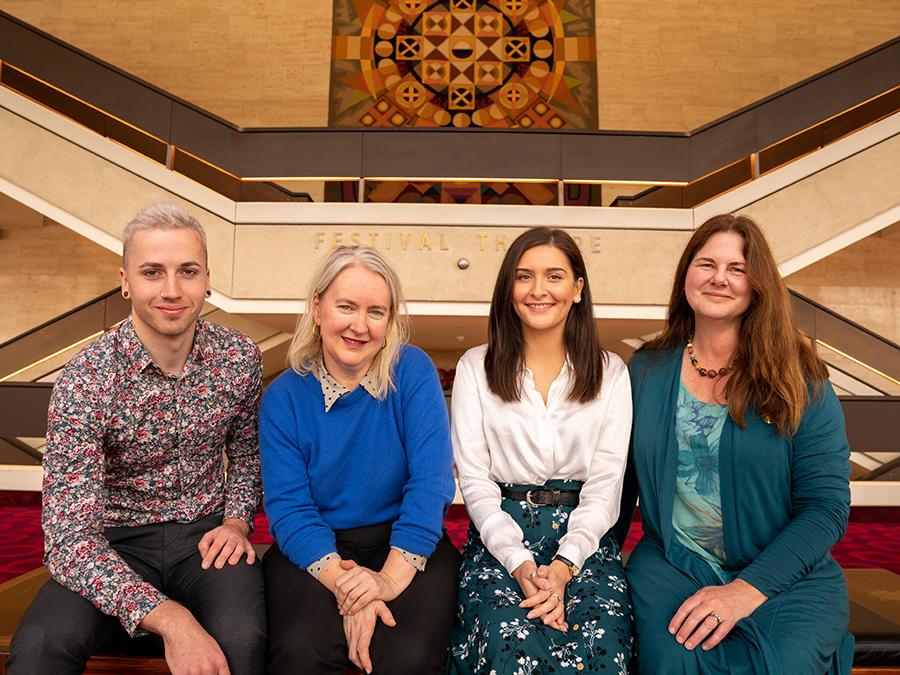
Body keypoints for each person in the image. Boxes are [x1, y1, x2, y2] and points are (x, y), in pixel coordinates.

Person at [8, 203, 266, 674]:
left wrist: (236, 522)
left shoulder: (239, 357)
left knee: (244, 643)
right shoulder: (86, 377)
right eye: (152, 272)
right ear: (125, 280)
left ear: (207, 279)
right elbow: (68, 540)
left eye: (187, 271)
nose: (172, 290)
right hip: (110, 543)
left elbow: (247, 455)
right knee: (39, 649)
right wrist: (171, 619)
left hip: (207, 537)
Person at [614, 213, 854, 674]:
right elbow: (619, 486)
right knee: (671, 661)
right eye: (706, 264)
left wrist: (744, 592)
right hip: (673, 564)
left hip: (783, 575)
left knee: (783, 665)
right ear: (687, 274)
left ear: (757, 284)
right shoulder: (644, 371)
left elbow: (825, 508)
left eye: (737, 269)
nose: (719, 279)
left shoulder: (799, 379)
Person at [259, 245, 459, 674]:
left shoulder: (413, 371)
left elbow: (431, 484)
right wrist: (350, 587)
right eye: (346, 306)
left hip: (406, 542)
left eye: (375, 312)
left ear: (389, 321)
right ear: (317, 308)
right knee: (300, 652)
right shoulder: (283, 398)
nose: (359, 325)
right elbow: (290, 510)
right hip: (315, 546)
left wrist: (385, 581)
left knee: (406, 657)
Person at [448, 227, 634, 674]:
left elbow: (608, 482)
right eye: (523, 276)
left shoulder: (611, 372)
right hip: (500, 542)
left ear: (577, 288)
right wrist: (519, 563)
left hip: (585, 543)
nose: (538, 290)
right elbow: (474, 481)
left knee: (602, 640)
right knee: (505, 641)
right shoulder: (476, 367)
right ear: (508, 289)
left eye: (554, 276)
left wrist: (564, 567)